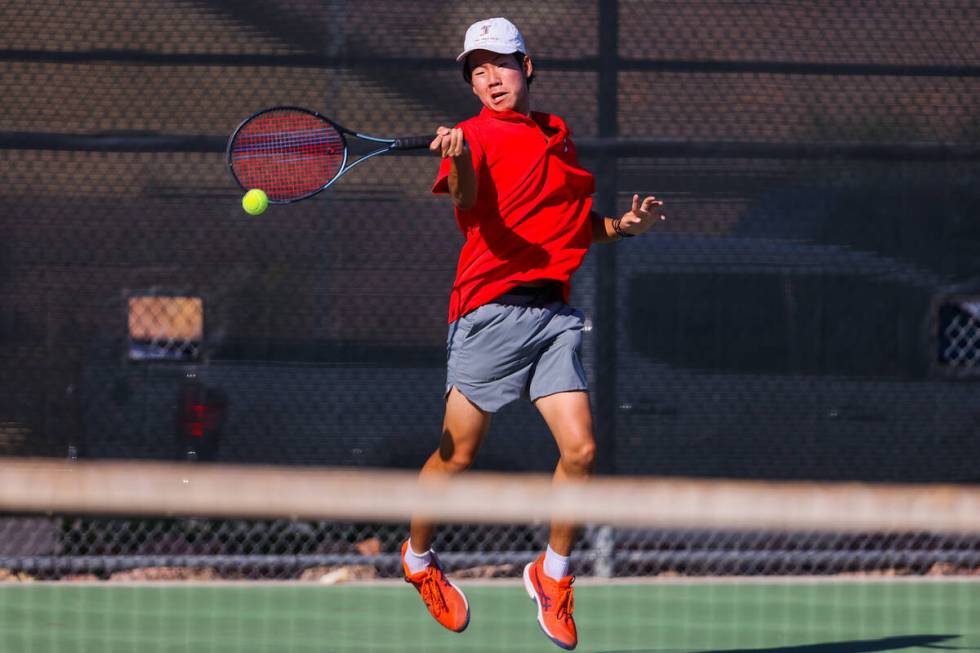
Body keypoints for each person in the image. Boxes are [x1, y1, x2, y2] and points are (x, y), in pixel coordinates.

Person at [401, 16, 666, 650]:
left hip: (553, 317)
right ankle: (416, 558)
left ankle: (553, 574)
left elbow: (573, 231)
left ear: (528, 66)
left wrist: (624, 226)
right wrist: (459, 161)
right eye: (476, 69)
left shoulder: (557, 135)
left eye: (499, 63)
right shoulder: (469, 135)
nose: (489, 77)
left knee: (582, 451)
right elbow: (467, 205)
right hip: (487, 312)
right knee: (457, 455)